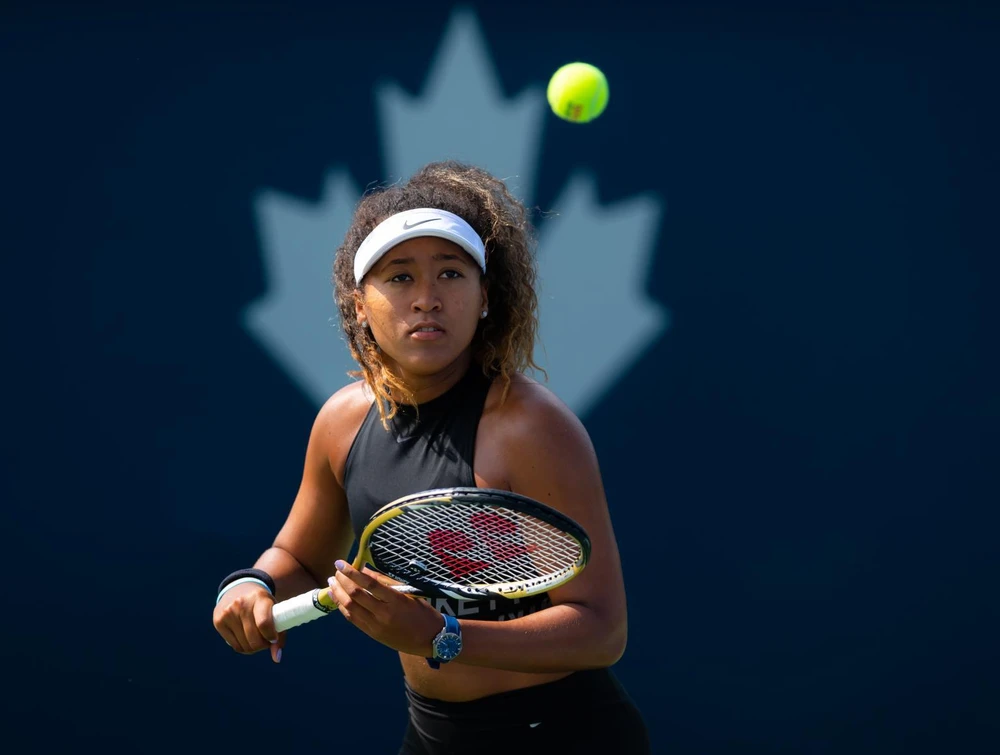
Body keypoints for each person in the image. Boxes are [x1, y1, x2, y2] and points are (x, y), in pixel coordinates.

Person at [212, 160, 651, 754]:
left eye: (450, 273)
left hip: (562, 736)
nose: (427, 299)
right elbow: (299, 557)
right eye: (399, 277)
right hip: (432, 736)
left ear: (484, 297)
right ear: (359, 305)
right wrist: (251, 584)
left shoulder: (531, 427)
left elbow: (601, 631)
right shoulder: (342, 423)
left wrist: (444, 635)